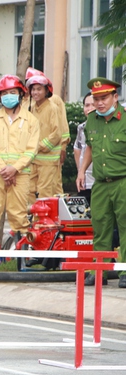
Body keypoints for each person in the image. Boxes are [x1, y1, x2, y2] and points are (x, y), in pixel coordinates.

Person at [0, 75, 40, 246]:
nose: (8, 96)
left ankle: (23, 264)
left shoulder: (31, 121)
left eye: (12, 92)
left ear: (21, 94)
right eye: (4, 93)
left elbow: (31, 150)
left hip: (20, 175)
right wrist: (4, 169)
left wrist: (15, 169)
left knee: (19, 216)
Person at [77, 78, 126, 288]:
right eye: (96, 99)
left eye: (104, 98)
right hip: (100, 183)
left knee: (125, 227)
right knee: (100, 227)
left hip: (122, 181)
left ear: (115, 97)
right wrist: (81, 171)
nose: (99, 103)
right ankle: (100, 270)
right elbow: (89, 147)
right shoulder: (93, 121)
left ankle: (124, 270)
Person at [26, 68, 71, 194]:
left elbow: (57, 133)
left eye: (39, 89)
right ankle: (34, 214)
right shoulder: (32, 107)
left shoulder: (53, 106)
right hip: (33, 159)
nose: (35, 92)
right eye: (33, 89)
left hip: (48, 160)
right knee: (29, 190)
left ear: (46, 91)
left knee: (47, 192)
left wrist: (39, 146)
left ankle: (49, 214)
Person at [74, 93, 95, 204]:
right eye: (87, 105)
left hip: (98, 182)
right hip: (84, 182)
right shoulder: (81, 128)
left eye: (93, 105)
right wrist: (80, 171)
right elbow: (77, 148)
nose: (90, 108)